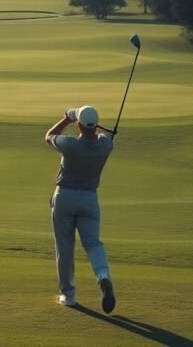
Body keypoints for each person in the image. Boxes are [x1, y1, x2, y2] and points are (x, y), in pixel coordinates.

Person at [44, 104, 116, 312]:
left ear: (79, 126)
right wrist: (100, 129)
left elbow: (50, 135)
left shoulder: (70, 144)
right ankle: (103, 276)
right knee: (93, 244)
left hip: (65, 198)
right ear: (95, 125)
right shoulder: (105, 145)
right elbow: (104, 136)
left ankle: (68, 295)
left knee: (65, 248)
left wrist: (67, 117)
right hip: (89, 200)